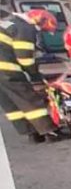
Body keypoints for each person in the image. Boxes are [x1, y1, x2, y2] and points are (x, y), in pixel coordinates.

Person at [0, 9, 60, 140]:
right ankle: (49, 131)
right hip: (6, 69)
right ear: (40, 20)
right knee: (28, 99)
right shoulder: (24, 27)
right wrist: (35, 76)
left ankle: (31, 133)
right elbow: (24, 58)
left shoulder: (9, 23)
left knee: (11, 103)